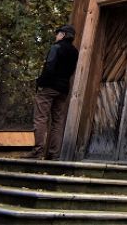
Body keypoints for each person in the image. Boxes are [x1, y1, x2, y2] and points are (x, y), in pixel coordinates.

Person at [26, 24, 79, 159]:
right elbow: (71, 71)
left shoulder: (56, 47)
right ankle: (53, 154)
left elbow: (49, 67)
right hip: (63, 89)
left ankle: (37, 151)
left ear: (63, 35)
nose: (56, 36)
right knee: (57, 121)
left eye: (58, 33)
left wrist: (41, 83)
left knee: (40, 118)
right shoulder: (75, 52)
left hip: (49, 87)